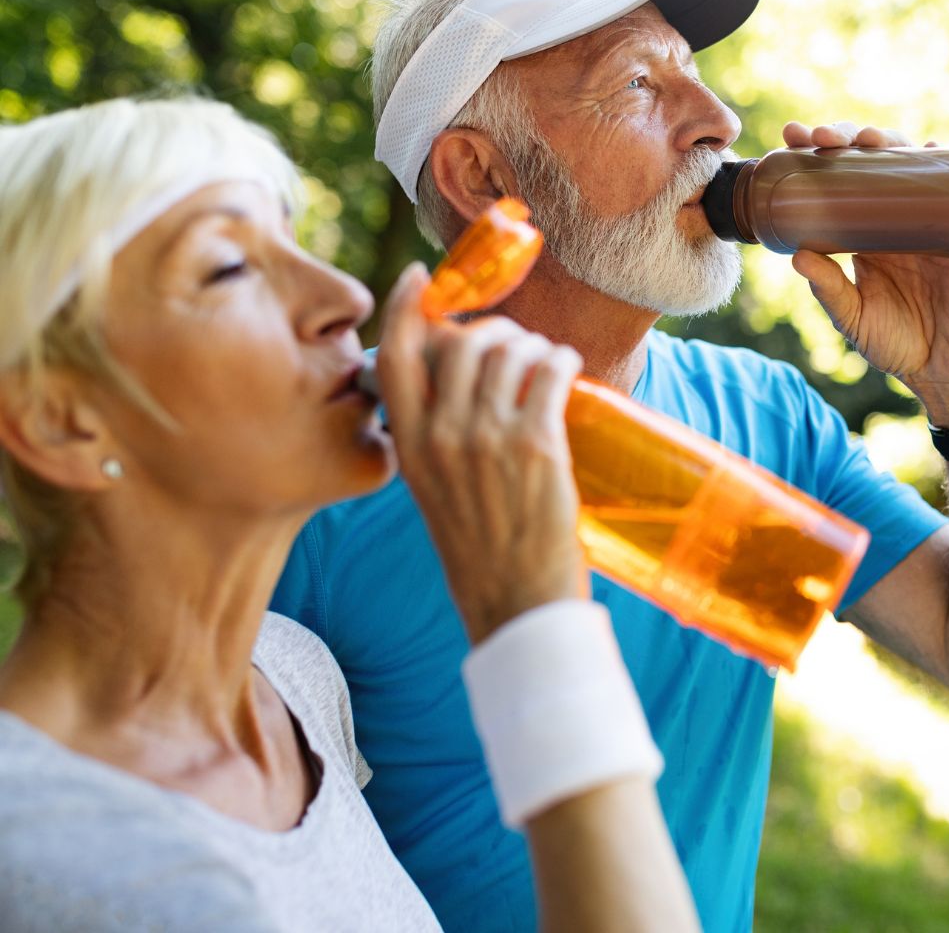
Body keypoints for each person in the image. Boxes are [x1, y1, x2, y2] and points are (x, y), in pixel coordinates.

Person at [271, 0, 949, 932]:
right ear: (482, 178)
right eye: (641, 87)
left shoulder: (766, 421)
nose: (722, 120)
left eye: (696, 77)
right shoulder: (312, 472)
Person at [0, 96, 702, 932]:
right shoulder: (60, 857)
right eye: (228, 268)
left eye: (294, 247)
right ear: (61, 419)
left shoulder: (294, 680)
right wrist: (531, 616)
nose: (343, 297)